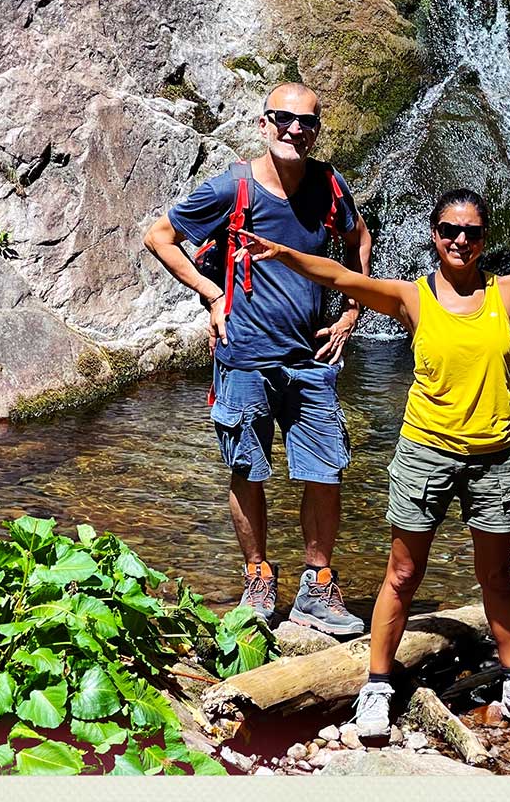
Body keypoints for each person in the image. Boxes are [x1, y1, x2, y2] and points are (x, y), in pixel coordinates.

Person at [235, 188, 510, 735]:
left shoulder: (508, 292)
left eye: (471, 232)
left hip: (495, 458)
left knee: (495, 575)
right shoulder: (413, 298)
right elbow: (339, 277)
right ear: (435, 235)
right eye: (450, 230)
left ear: (484, 239)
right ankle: (377, 686)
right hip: (424, 453)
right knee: (403, 574)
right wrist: (284, 254)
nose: (460, 240)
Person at [143, 82, 372, 636]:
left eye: (307, 122)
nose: (295, 129)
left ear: (317, 130)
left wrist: (351, 310)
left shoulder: (329, 185)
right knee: (248, 469)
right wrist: (212, 294)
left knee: (325, 471)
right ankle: (258, 577)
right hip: (244, 357)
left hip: (311, 358)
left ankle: (317, 586)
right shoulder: (232, 187)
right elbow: (159, 237)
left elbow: (359, 238)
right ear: (264, 123)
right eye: (284, 119)